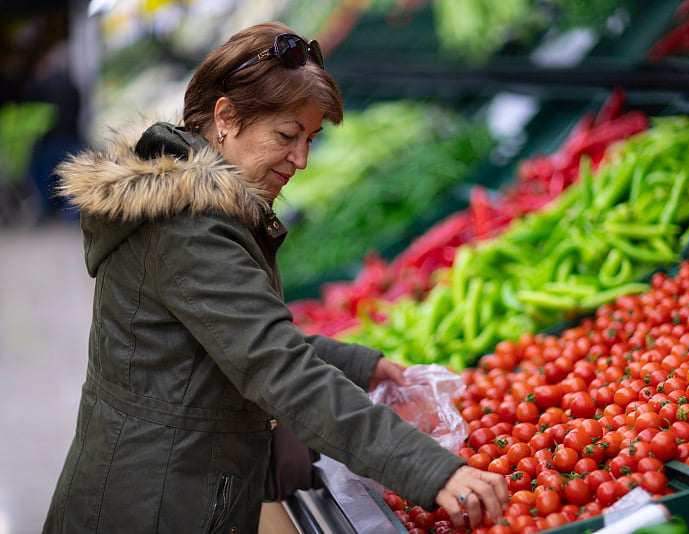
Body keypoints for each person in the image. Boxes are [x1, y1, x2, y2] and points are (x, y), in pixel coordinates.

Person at [44, 21, 508, 533]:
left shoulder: (189, 202)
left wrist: (358, 364)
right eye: (287, 136)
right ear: (226, 117)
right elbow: (278, 368)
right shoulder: (188, 229)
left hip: (148, 482)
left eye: (310, 139)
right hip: (156, 506)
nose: (302, 160)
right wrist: (429, 469)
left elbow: (225, 335)